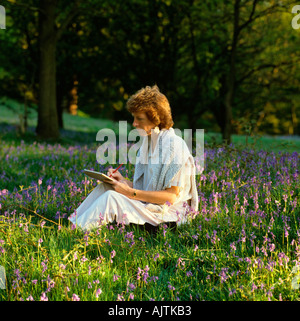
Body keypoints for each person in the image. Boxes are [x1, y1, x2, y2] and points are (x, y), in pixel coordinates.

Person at [68, 85, 199, 231]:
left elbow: (171, 197)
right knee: (108, 186)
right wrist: (123, 182)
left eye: (140, 119)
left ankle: (76, 232)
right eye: (134, 118)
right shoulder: (147, 144)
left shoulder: (175, 147)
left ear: (156, 120)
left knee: (111, 198)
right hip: (150, 208)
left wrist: (129, 192)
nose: (134, 123)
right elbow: (146, 189)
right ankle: (72, 223)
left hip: (168, 217)